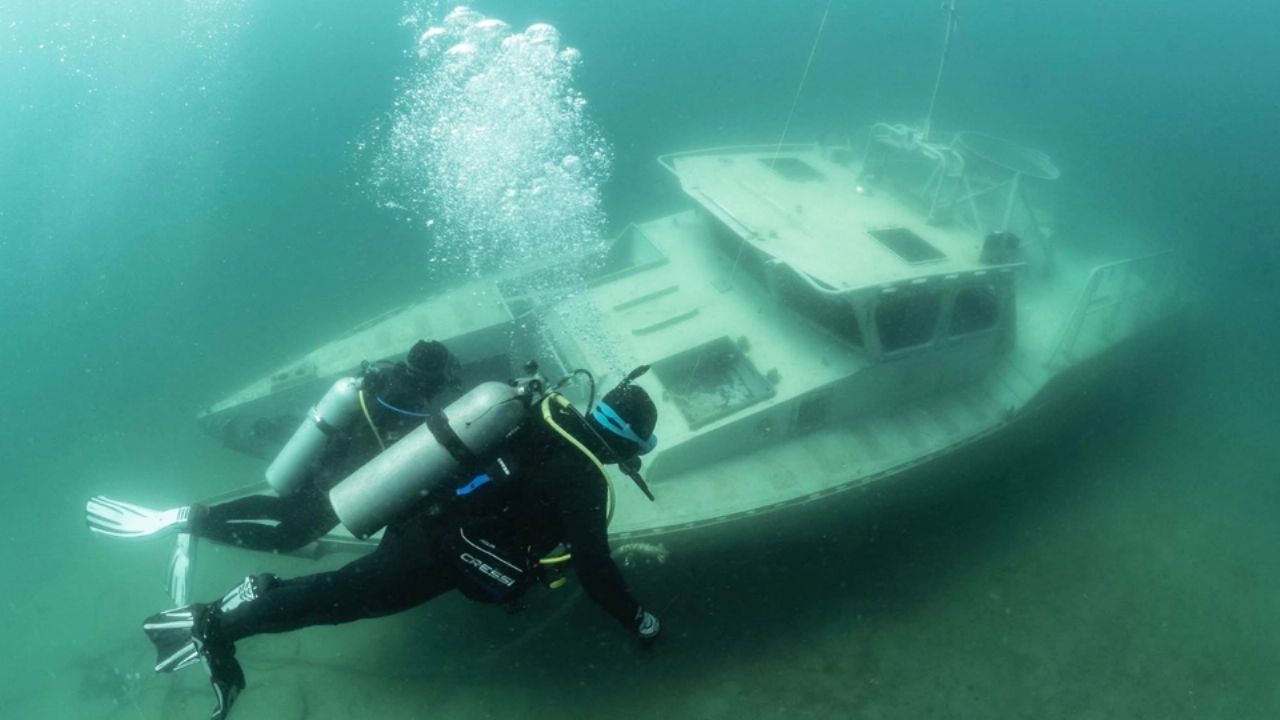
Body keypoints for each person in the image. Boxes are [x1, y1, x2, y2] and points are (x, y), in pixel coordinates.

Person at [142, 368, 664, 720]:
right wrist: (638, 618)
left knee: (340, 594)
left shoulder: (544, 412)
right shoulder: (584, 478)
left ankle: (261, 591)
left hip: (418, 520)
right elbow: (595, 570)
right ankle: (219, 628)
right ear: (626, 445)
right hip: (436, 556)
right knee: (335, 601)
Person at [85, 339, 461, 555]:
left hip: (318, 459)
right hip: (343, 483)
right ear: (433, 374)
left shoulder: (383, 375)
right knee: (288, 538)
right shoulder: (409, 405)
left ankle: (195, 513)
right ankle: (194, 525)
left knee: (278, 505)